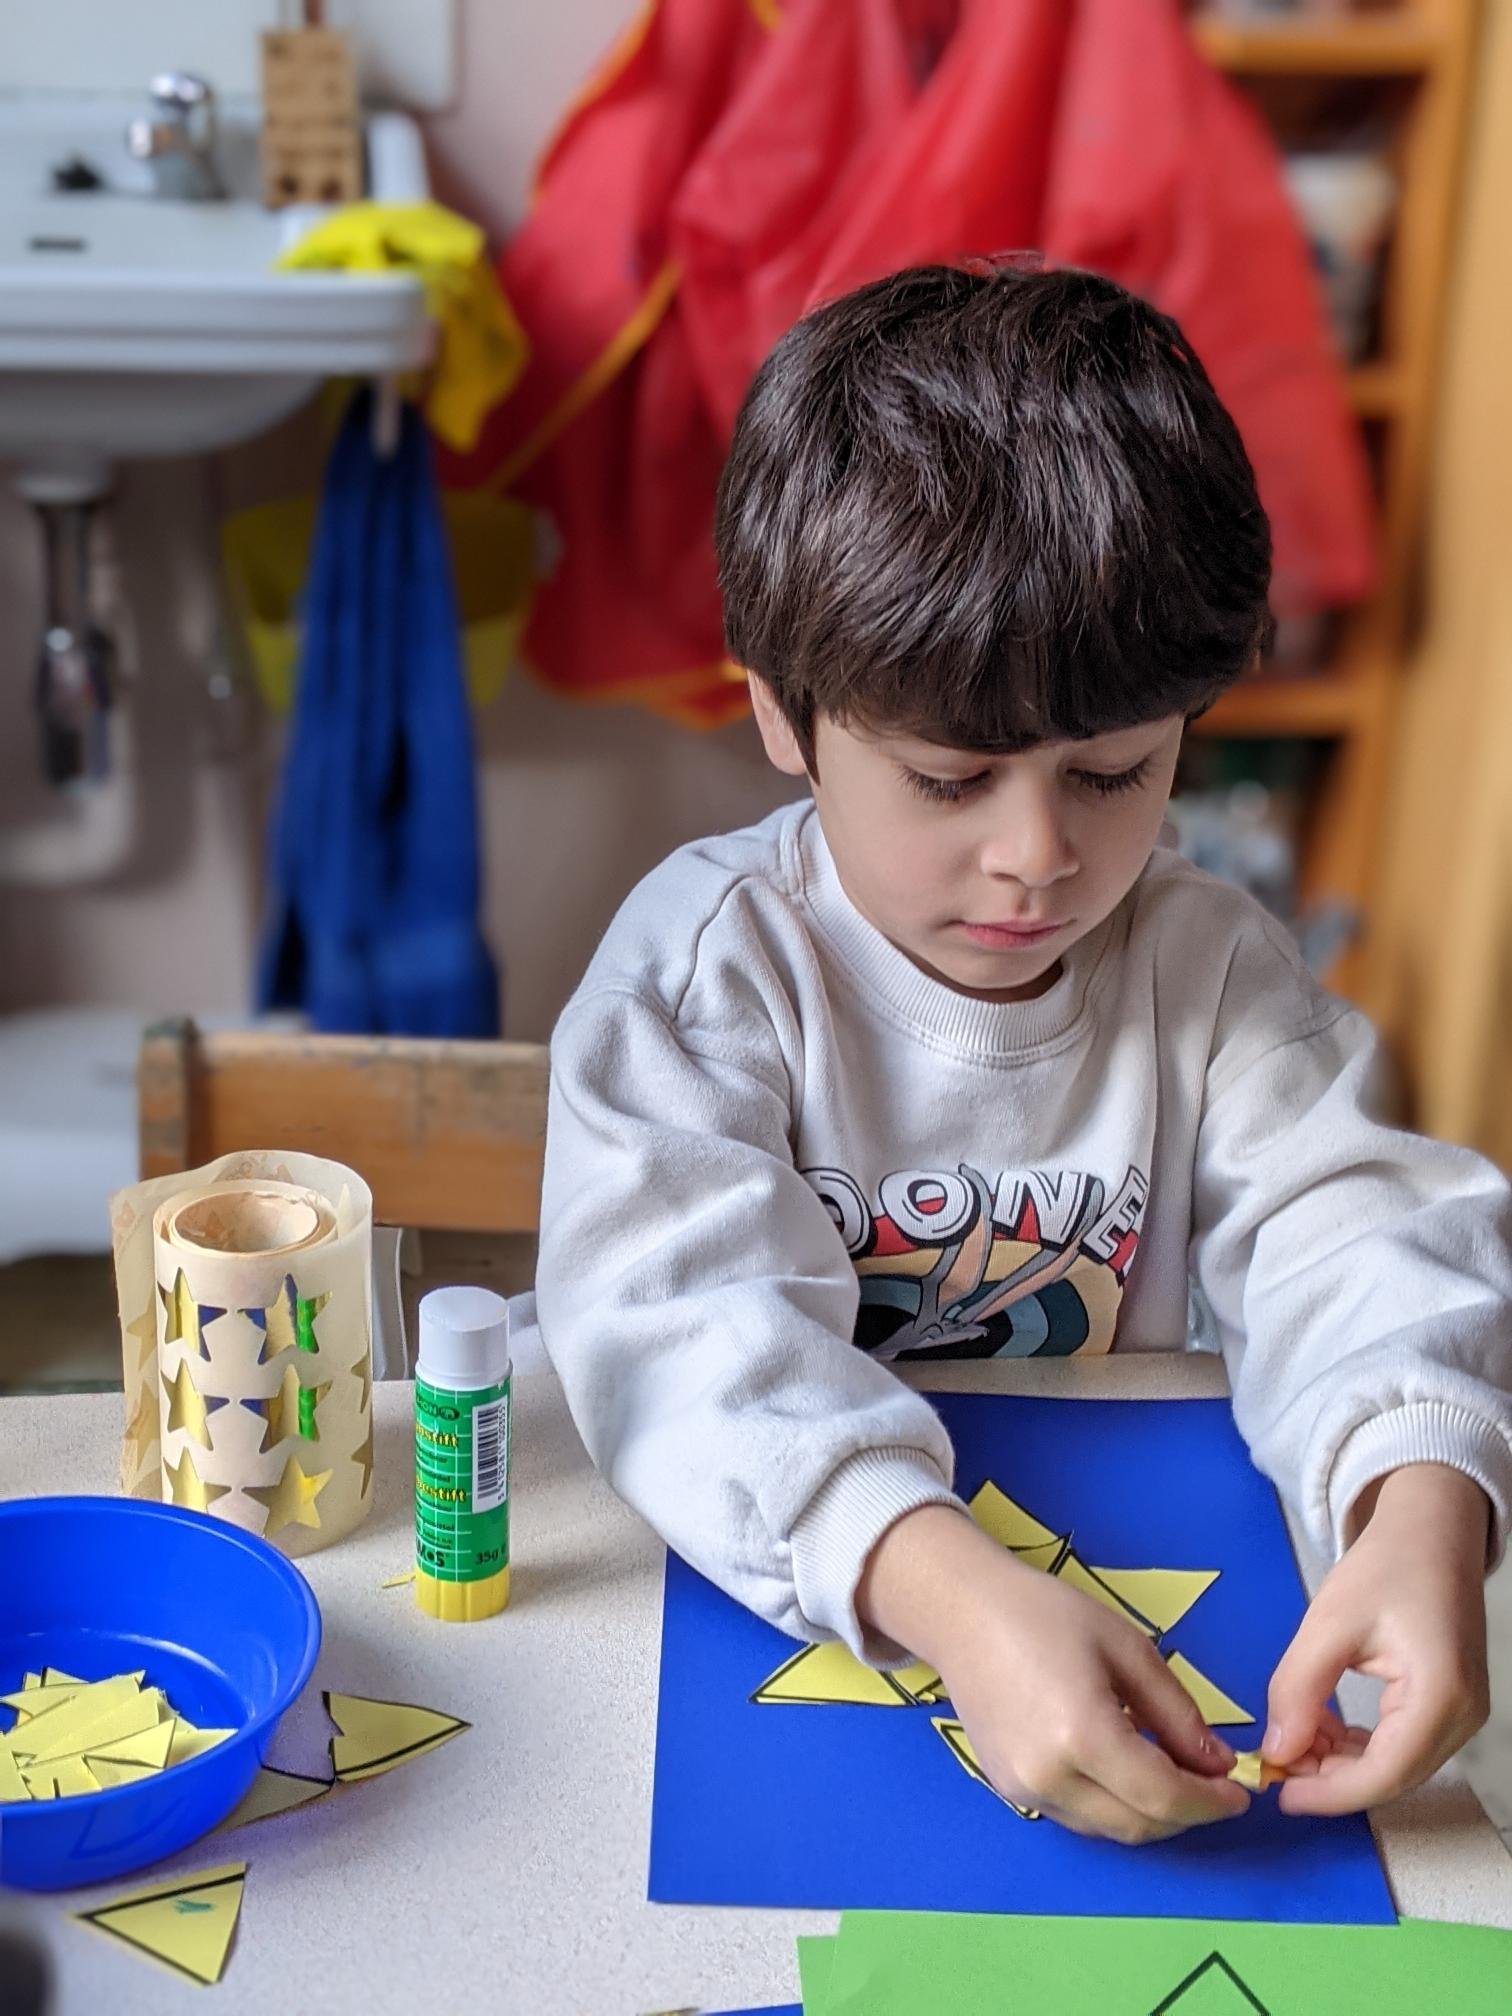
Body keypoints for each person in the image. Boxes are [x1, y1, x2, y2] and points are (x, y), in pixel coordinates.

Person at [535, 262, 1509, 1843]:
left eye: (1113, 773)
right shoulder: (709, 978)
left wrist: (1420, 1499)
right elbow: (678, 1330)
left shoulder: (1209, 970)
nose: (1037, 856)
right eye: (949, 781)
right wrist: (952, 1595)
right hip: (764, 1604)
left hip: (1116, 1574)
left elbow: (1355, 1234)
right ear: (781, 712)